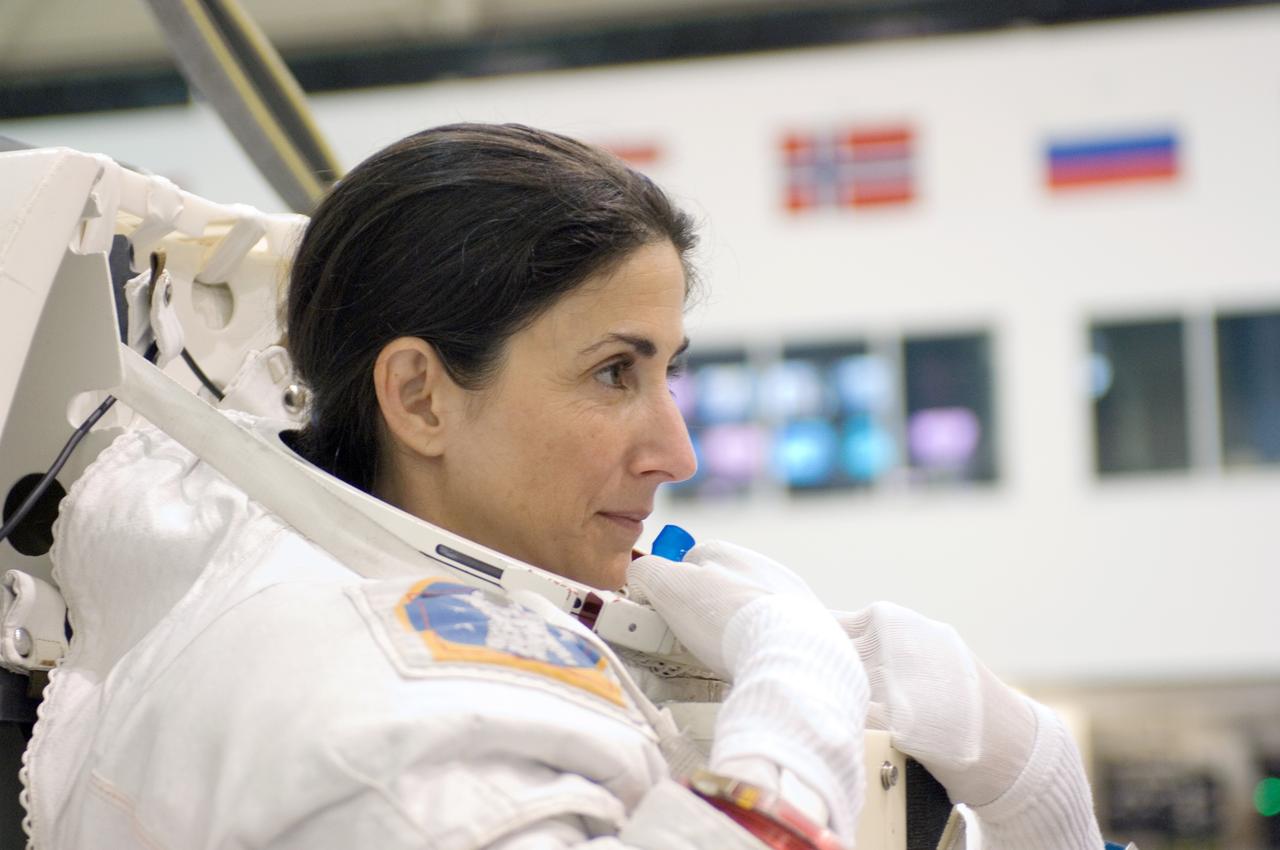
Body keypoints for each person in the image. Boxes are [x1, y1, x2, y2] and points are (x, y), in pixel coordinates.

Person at [26, 124, 1105, 850]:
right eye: (611, 373)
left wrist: (1000, 736)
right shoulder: (370, 716)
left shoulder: (280, 562)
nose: (674, 450)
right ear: (420, 396)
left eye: (665, 371)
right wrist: (797, 683)